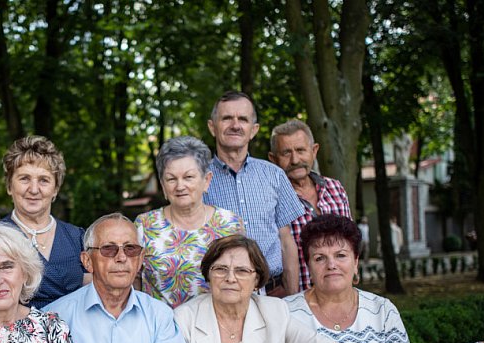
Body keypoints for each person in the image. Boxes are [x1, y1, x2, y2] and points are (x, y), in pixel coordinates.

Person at [45, 213, 192, 343]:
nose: (121, 257)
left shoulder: (160, 315)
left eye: (130, 249)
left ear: (140, 260)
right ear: (87, 261)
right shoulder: (56, 318)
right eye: (109, 249)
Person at [174, 234, 356, 343]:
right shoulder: (184, 318)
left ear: (257, 281)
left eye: (242, 271)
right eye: (220, 269)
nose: (230, 278)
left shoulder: (274, 312)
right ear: (208, 276)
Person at [203, 91, 303, 297]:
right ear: (212, 127)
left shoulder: (274, 174)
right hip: (220, 293)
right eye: (227, 118)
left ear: (254, 129)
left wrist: (294, 300)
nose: (235, 125)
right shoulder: (198, 179)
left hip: (275, 290)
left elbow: (286, 242)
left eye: (243, 119)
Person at [285, 214, 412, 343]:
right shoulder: (285, 312)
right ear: (309, 267)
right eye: (320, 258)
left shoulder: (383, 310)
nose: (331, 265)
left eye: (341, 255)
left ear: (356, 262)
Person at [134, 135, 244, 307]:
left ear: (206, 180)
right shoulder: (145, 225)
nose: (179, 186)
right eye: (171, 179)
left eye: (188, 177)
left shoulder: (230, 224)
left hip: (216, 328)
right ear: (163, 186)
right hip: (161, 329)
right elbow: (134, 282)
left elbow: (244, 280)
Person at [1, 135, 90, 309]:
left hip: (73, 333)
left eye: (44, 180)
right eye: (24, 178)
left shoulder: (78, 238)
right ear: (9, 186)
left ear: (55, 189)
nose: (34, 189)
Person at [268, 119, 352, 291]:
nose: (295, 160)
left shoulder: (335, 188)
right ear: (273, 159)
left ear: (314, 151)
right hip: (298, 299)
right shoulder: (269, 199)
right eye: (286, 153)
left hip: (339, 292)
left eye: (300, 150)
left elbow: (350, 240)